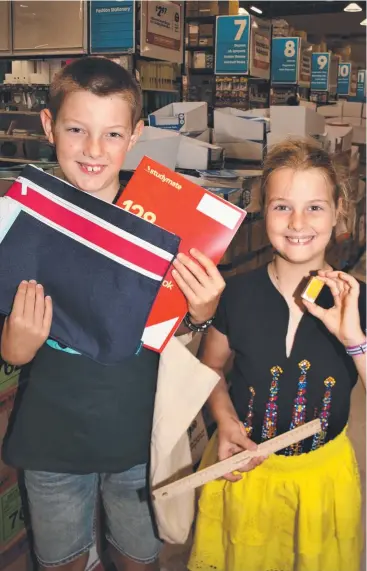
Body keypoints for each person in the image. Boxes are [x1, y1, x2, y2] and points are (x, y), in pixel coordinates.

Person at [0, 57, 225, 571]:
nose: (94, 150)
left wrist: (200, 313)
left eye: (112, 133)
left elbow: (180, 341)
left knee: (139, 557)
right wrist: (19, 343)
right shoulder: (23, 221)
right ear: (48, 125)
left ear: (136, 134)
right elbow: (10, 351)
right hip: (52, 440)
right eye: (77, 129)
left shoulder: (165, 230)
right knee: (61, 561)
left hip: (138, 441)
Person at [188, 138, 366, 571]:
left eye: (315, 207)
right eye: (282, 206)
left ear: (339, 209)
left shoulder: (354, 301)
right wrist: (226, 422)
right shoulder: (238, 294)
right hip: (245, 475)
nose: (298, 222)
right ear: (262, 210)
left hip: (321, 479)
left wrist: (353, 338)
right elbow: (211, 366)